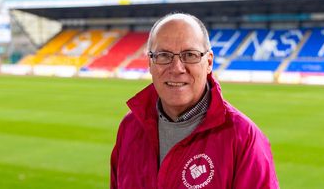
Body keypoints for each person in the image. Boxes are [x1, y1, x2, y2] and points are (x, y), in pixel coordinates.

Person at [110, 13, 279, 189]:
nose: (176, 68)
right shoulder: (129, 128)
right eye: (164, 55)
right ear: (150, 63)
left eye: (190, 55)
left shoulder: (244, 137)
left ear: (209, 62)